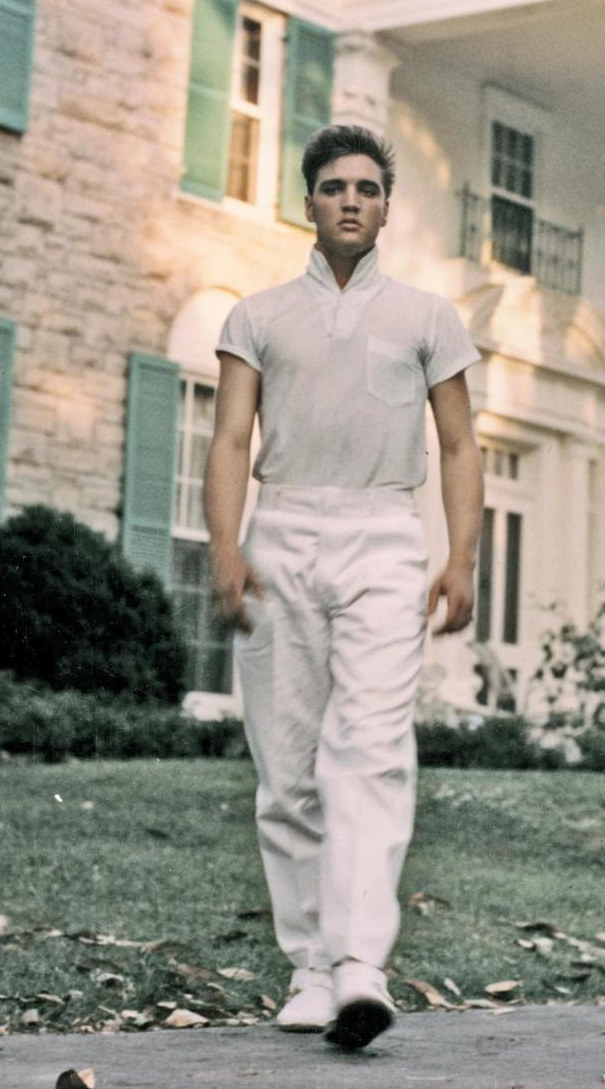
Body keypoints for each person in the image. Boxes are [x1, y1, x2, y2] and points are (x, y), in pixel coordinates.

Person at [204, 122, 484, 1051]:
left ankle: (361, 964)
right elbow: (231, 442)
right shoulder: (257, 316)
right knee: (287, 770)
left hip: (381, 538)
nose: (351, 199)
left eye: (367, 186)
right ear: (311, 203)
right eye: (334, 187)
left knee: (368, 749)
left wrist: (461, 558)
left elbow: (456, 446)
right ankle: (311, 969)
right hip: (281, 531)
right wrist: (224, 549)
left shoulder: (428, 318)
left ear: (386, 206)